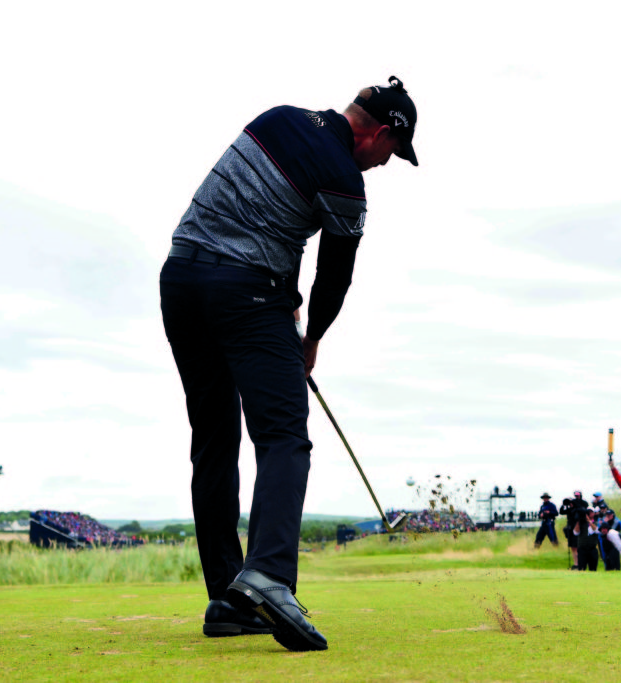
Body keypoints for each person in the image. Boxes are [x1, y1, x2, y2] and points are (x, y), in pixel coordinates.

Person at [160, 76, 419, 651]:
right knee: (284, 438)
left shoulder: (277, 116)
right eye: (392, 153)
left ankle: (229, 598)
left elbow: (254, 215)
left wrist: (284, 296)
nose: (385, 164)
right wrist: (311, 340)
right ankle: (271, 577)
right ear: (378, 133)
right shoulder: (346, 180)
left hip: (180, 281)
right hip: (246, 295)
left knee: (214, 441)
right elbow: (335, 277)